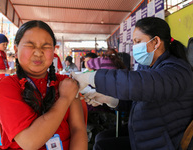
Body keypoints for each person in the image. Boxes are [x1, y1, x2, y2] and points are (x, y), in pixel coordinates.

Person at [71, 17, 193, 150]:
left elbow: (137, 84)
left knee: (102, 146)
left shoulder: (176, 71)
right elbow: (140, 100)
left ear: (156, 42)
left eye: (138, 41)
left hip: (163, 141)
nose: (135, 47)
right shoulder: (150, 66)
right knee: (101, 137)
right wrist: (112, 100)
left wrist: (91, 78)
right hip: (148, 132)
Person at [0, 20, 87, 150]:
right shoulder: (7, 86)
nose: (38, 52)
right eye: (30, 45)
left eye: (46, 46)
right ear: (16, 49)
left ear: (54, 50)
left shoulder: (66, 83)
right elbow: (29, 142)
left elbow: (78, 130)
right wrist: (65, 99)